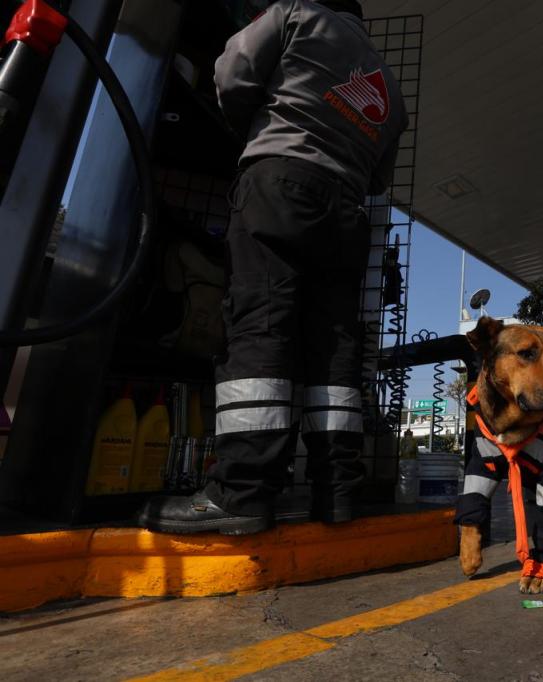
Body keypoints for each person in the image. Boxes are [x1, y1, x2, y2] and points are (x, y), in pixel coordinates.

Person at [140, 0, 408, 535]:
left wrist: (263, 128)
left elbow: (231, 71)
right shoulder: (388, 84)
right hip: (347, 210)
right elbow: (381, 176)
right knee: (334, 347)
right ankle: (336, 493)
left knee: (262, 323)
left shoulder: (295, 15)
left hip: (279, 181)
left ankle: (241, 492)